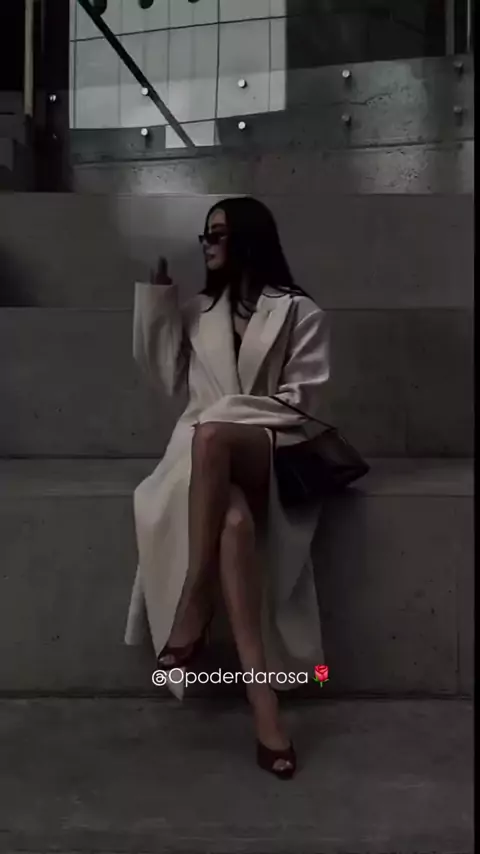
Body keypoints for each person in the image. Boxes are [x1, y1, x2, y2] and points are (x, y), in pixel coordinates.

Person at [125, 196, 330, 779]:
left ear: (248, 237)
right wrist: (158, 304)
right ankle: (265, 706)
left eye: (218, 233)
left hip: (268, 446)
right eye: (205, 235)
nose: (208, 244)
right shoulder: (197, 311)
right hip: (199, 458)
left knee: (213, 435)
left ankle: (194, 599)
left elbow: (303, 401)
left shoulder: (299, 312)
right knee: (234, 525)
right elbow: (167, 379)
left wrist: (226, 418)